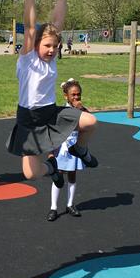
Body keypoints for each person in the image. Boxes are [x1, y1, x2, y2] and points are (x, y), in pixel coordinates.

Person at [7, 0, 98, 187]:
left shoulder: (51, 59)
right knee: (30, 174)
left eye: (55, 46)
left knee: (91, 122)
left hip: (50, 112)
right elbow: (30, 26)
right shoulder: (28, 59)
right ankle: (51, 169)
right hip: (28, 120)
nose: (51, 50)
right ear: (36, 43)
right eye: (47, 45)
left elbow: (57, 22)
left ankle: (80, 150)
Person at [47, 78, 88, 222]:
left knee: (72, 174)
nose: (76, 97)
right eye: (73, 95)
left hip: (75, 147)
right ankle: (53, 207)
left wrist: (81, 109)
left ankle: (70, 204)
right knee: (58, 175)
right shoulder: (62, 111)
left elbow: (90, 122)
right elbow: (54, 131)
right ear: (66, 96)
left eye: (78, 95)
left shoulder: (82, 111)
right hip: (62, 147)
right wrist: (51, 151)